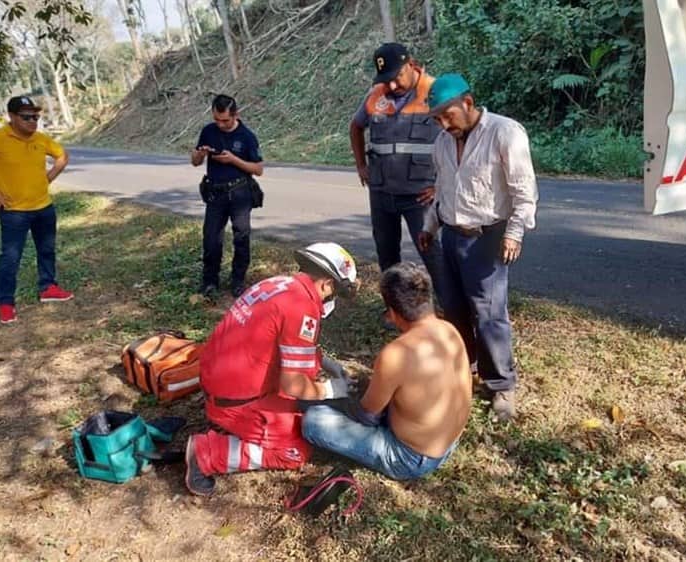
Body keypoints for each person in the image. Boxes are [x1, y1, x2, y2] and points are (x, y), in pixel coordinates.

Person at [184, 242, 360, 496]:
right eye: (336, 293)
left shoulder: (279, 285)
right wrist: (333, 389)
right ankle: (206, 454)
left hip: (220, 382)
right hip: (235, 401)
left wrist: (327, 364)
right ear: (327, 284)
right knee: (295, 449)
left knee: (304, 407)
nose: (333, 301)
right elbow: (293, 385)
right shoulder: (303, 308)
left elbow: (284, 344)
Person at [419, 74, 539, 422]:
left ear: (467, 102)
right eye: (436, 118)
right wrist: (430, 225)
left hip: (488, 236)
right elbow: (443, 189)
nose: (443, 124)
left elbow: (523, 191)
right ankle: (464, 368)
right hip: (451, 234)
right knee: (454, 308)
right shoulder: (442, 142)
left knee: (489, 314)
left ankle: (501, 384)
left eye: (447, 115)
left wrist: (514, 233)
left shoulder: (505, 133)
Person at [301, 262, 471, 481]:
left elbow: (367, 416)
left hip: (409, 458)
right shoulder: (450, 331)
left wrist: (336, 397)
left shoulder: (397, 354)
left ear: (392, 313)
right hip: (446, 445)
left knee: (313, 421)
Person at [350, 42, 446, 305]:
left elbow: (458, 139)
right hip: (381, 191)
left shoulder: (436, 92)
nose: (391, 86)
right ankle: (396, 309)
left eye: (396, 77)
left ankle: (451, 313)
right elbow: (356, 127)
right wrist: (361, 165)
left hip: (420, 195)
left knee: (434, 254)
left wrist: (442, 184)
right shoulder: (376, 95)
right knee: (386, 254)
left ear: (412, 65)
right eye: (386, 80)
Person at [0, 96, 73, 324]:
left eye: (36, 117)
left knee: (47, 250)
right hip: (14, 212)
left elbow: (62, 156)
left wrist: (46, 179)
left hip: (44, 208)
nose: (33, 121)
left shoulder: (41, 139)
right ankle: (5, 302)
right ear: (11, 116)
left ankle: (48, 287)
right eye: (26, 117)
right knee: (10, 258)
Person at [191, 94, 264, 299]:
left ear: (235, 115)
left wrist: (233, 160)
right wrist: (200, 154)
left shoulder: (246, 136)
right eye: (217, 119)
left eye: (225, 120)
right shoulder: (208, 131)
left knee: (241, 237)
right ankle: (209, 281)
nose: (220, 124)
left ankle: (238, 280)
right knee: (211, 239)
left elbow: (258, 169)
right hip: (215, 193)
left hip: (240, 192)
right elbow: (195, 161)